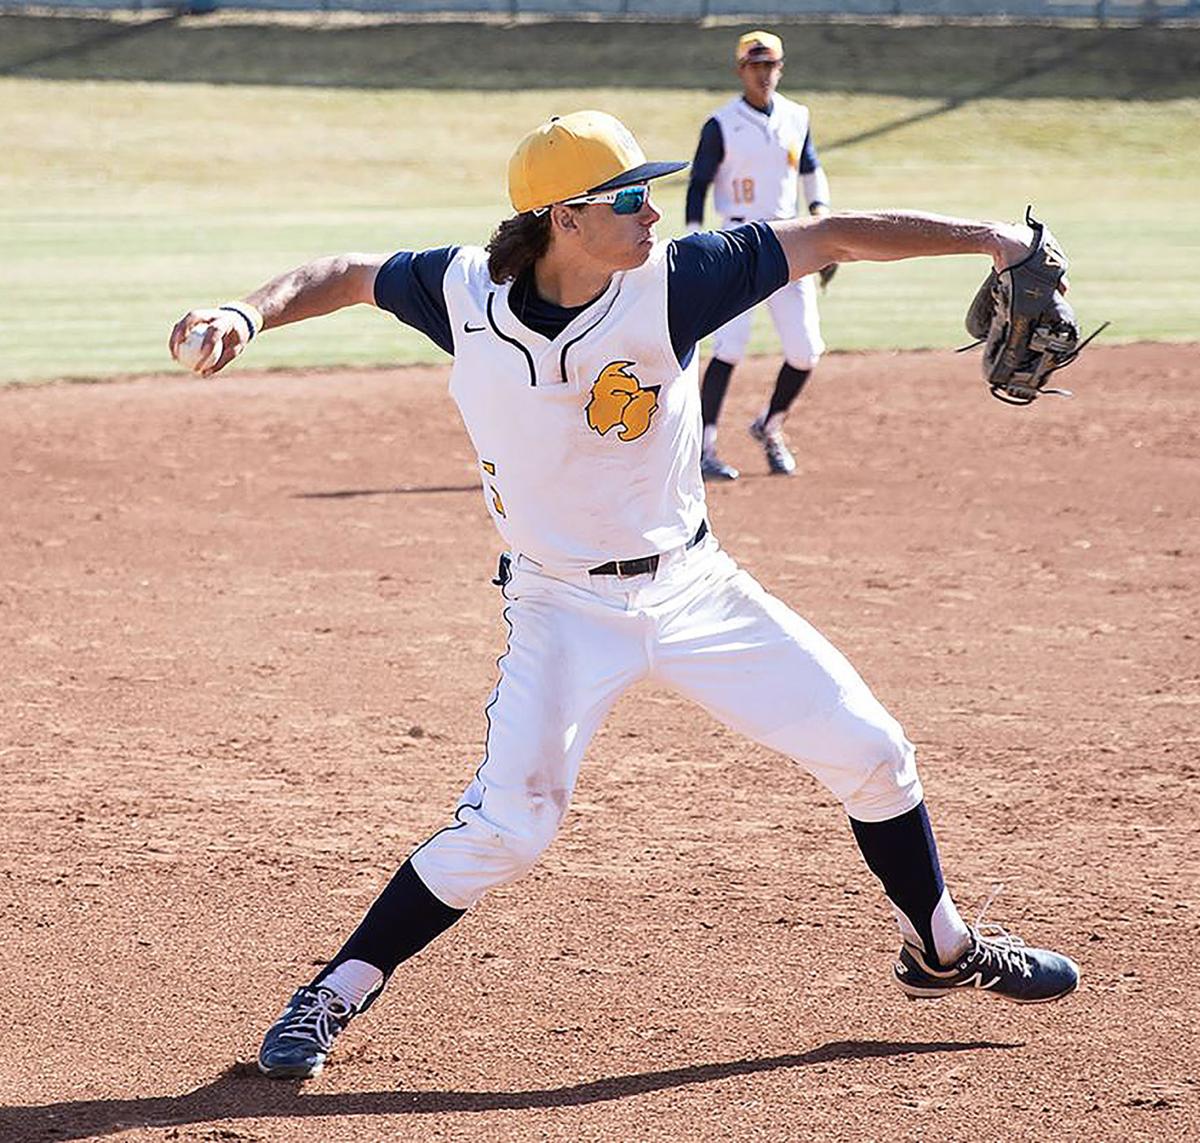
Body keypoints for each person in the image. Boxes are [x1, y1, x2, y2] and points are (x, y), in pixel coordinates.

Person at [169, 110, 1079, 1082]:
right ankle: (333, 993)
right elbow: (348, 274)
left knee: (874, 754)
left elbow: (832, 235)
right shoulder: (461, 290)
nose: (653, 213)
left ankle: (940, 949)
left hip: (697, 590)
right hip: (560, 610)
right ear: (563, 219)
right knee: (511, 827)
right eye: (629, 198)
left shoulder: (679, 280)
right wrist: (248, 312)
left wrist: (990, 239)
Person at [686, 29, 834, 481]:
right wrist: (694, 241)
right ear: (740, 71)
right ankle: (704, 447)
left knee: (806, 351)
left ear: (781, 68)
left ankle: (770, 426)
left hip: (790, 238)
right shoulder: (721, 124)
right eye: (755, 66)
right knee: (729, 347)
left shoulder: (796, 116)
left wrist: (822, 216)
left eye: (770, 65)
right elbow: (698, 185)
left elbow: (811, 169)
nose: (763, 74)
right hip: (737, 242)